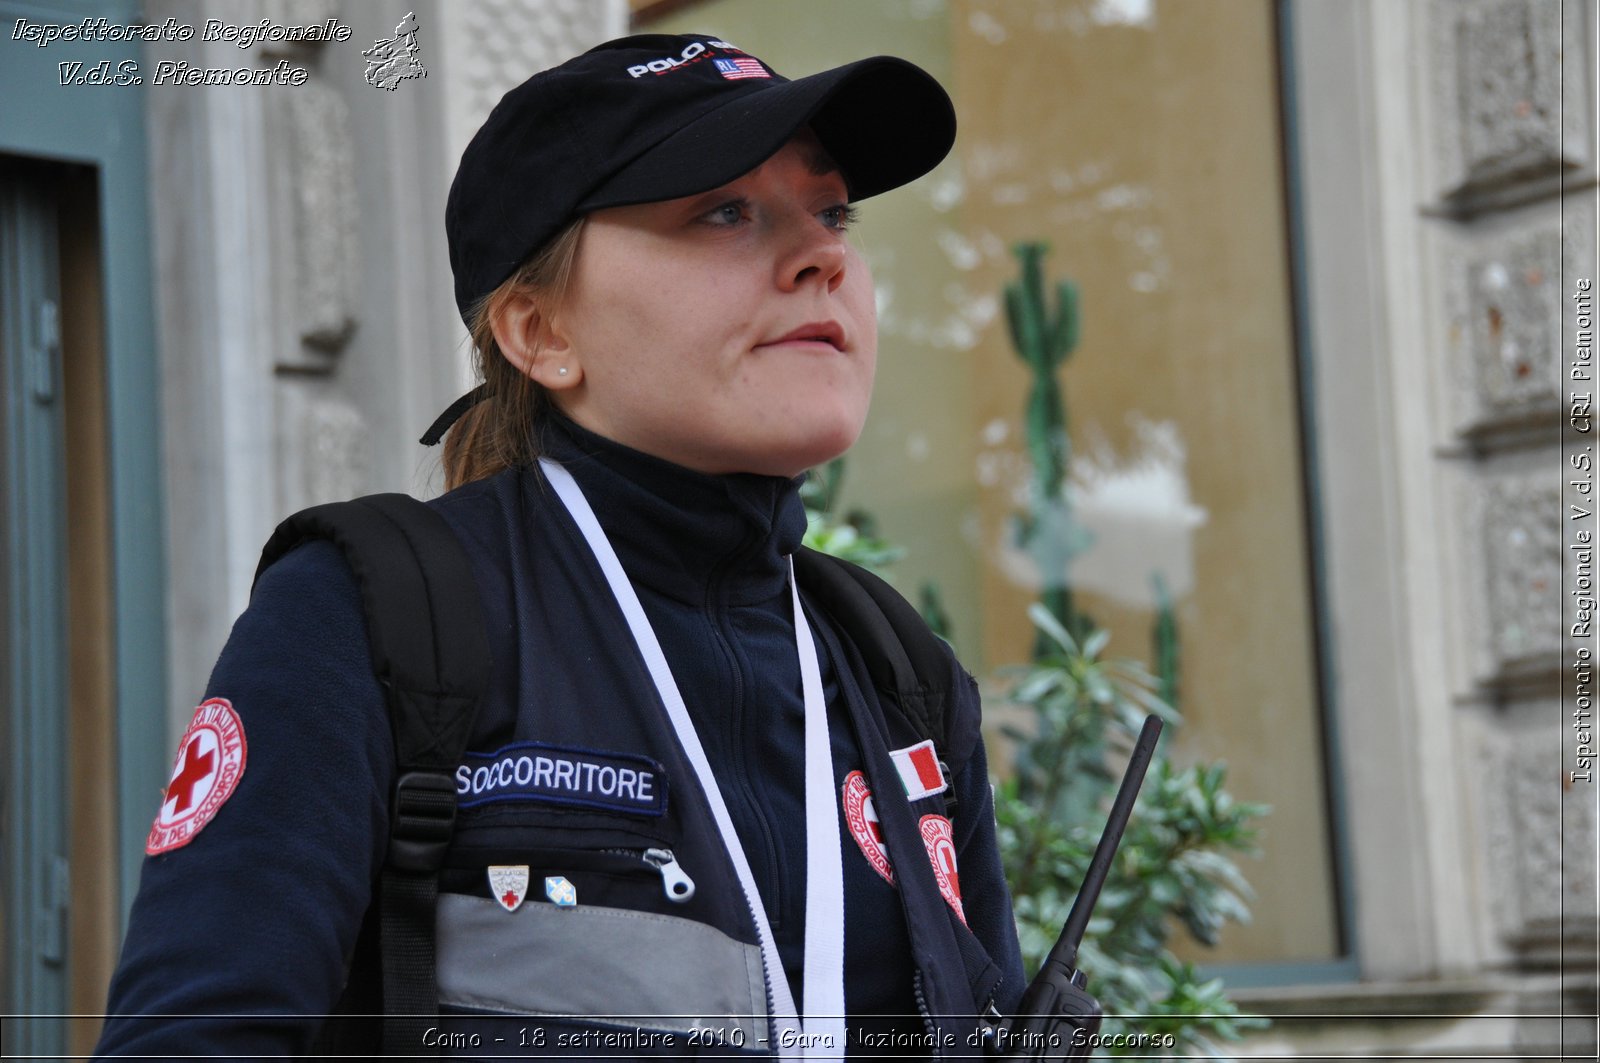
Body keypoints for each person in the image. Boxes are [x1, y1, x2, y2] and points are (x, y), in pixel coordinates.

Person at [95, 32, 1025, 1059]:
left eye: (832, 210)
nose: (826, 255)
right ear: (539, 332)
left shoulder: (895, 671)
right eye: (723, 210)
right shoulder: (368, 617)